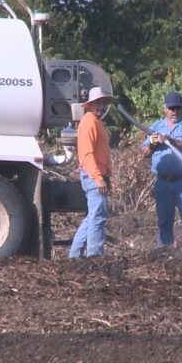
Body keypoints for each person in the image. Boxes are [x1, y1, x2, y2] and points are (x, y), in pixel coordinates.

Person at [142, 91, 182, 248]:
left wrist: (172, 141)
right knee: (164, 220)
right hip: (163, 182)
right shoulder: (156, 126)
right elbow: (145, 153)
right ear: (165, 109)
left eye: (178, 108)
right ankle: (165, 254)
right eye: (171, 108)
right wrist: (152, 144)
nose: (174, 112)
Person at [69, 86, 115, 258]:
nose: (101, 107)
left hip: (96, 175)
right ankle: (94, 256)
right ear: (89, 105)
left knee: (93, 217)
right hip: (93, 176)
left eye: (103, 103)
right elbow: (87, 154)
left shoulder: (95, 121)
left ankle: (74, 255)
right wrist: (98, 178)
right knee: (97, 217)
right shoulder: (89, 122)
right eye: (97, 103)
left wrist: (105, 176)